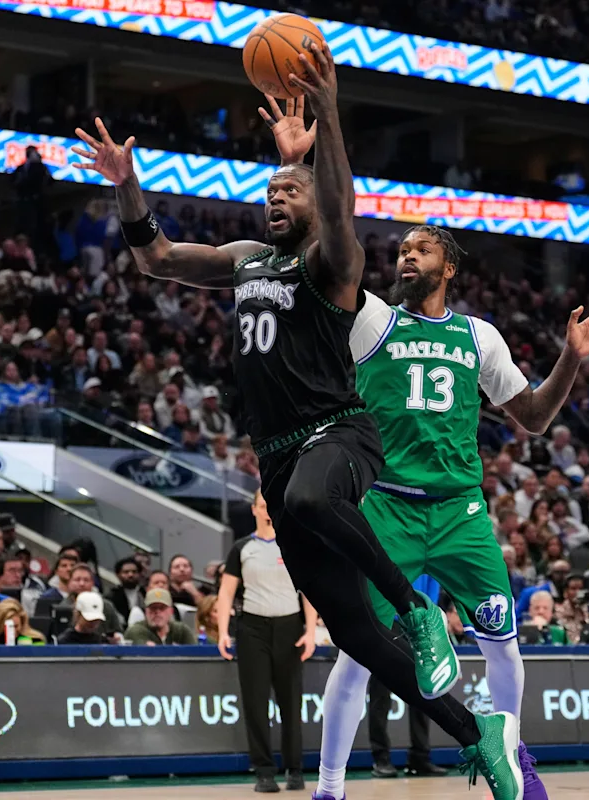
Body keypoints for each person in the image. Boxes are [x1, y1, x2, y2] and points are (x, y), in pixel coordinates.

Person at [76, 49, 521, 794]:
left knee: (316, 500)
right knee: (354, 633)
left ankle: (417, 610)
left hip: (341, 434)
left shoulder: (331, 265)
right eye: (270, 191)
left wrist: (329, 122)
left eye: (290, 190)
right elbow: (157, 257)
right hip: (280, 456)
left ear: (316, 207)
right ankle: (477, 738)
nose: (276, 197)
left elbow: (340, 208)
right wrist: (127, 186)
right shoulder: (249, 258)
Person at [324, 224, 589, 799]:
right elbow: (332, 268)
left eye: (422, 250)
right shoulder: (371, 319)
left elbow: (534, 417)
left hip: (460, 515)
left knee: (503, 646)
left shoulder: (478, 336)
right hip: (388, 508)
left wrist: (570, 356)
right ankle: (329, 788)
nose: (408, 257)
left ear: (449, 268)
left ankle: (513, 758)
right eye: (403, 250)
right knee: (357, 653)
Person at [216, 491, 317, 792]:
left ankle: (295, 769)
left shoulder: (294, 544)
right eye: (262, 506)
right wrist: (223, 631)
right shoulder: (241, 548)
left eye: (271, 506)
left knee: (291, 703)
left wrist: (310, 631)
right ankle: (264, 771)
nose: (267, 511)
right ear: (254, 510)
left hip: (289, 627)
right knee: (256, 703)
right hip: (253, 629)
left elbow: (308, 590)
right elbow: (226, 593)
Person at [123, 587, 194, 645]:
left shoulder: (181, 631)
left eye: (162, 608)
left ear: (171, 611)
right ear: (146, 611)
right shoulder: (136, 630)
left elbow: (195, 653)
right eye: (153, 608)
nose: (157, 612)